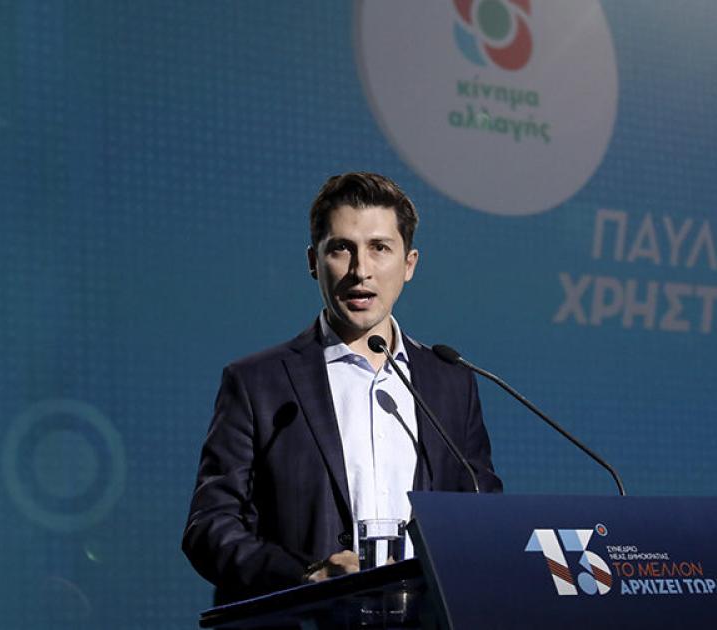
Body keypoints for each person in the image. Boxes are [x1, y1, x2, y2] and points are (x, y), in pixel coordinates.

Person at [182, 172, 501, 604]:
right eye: (341, 249)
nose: (360, 271)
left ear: (409, 264)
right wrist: (306, 577)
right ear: (313, 261)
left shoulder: (451, 382)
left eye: (379, 248)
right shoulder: (258, 383)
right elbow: (209, 528)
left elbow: (483, 516)